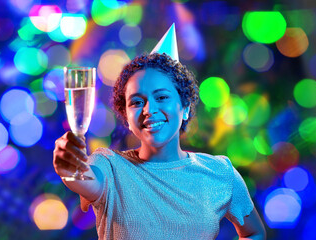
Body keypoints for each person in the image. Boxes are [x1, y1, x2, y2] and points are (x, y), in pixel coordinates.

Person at [53, 25, 266, 240]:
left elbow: (254, 233)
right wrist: (68, 168)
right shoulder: (109, 166)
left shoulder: (220, 172)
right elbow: (83, 179)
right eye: (137, 102)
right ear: (126, 116)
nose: (149, 110)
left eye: (162, 97)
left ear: (184, 108)